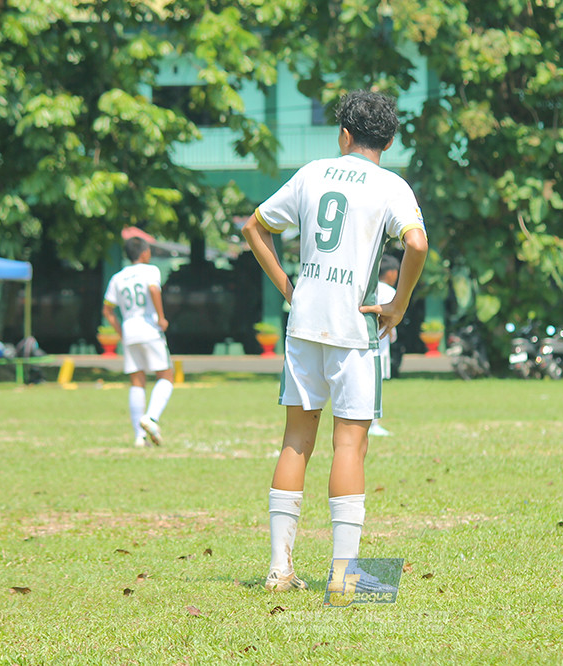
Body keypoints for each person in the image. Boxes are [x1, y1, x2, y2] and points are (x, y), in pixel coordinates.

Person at [242, 89, 428, 592]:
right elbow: (416, 242)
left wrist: (288, 286)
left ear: (344, 135)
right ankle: (344, 576)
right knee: (350, 443)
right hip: (354, 329)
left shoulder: (310, 173)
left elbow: (254, 227)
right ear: (388, 140)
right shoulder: (392, 185)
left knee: (296, 441)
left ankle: (280, 570)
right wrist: (400, 303)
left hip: (303, 325)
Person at [102, 236, 174, 447]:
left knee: (137, 381)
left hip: (130, 331)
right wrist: (161, 317)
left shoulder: (118, 277)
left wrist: (121, 332)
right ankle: (150, 418)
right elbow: (153, 289)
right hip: (149, 329)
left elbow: (108, 310)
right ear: (144, 253)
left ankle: (138, 437)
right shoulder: (150, 270)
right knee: (166, 376)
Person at [368, 254, 400, 437]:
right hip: (380, 344)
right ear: (392, 273)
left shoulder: (368, 287)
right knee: (375, 385)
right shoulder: (389, 291)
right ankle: (373, 423)